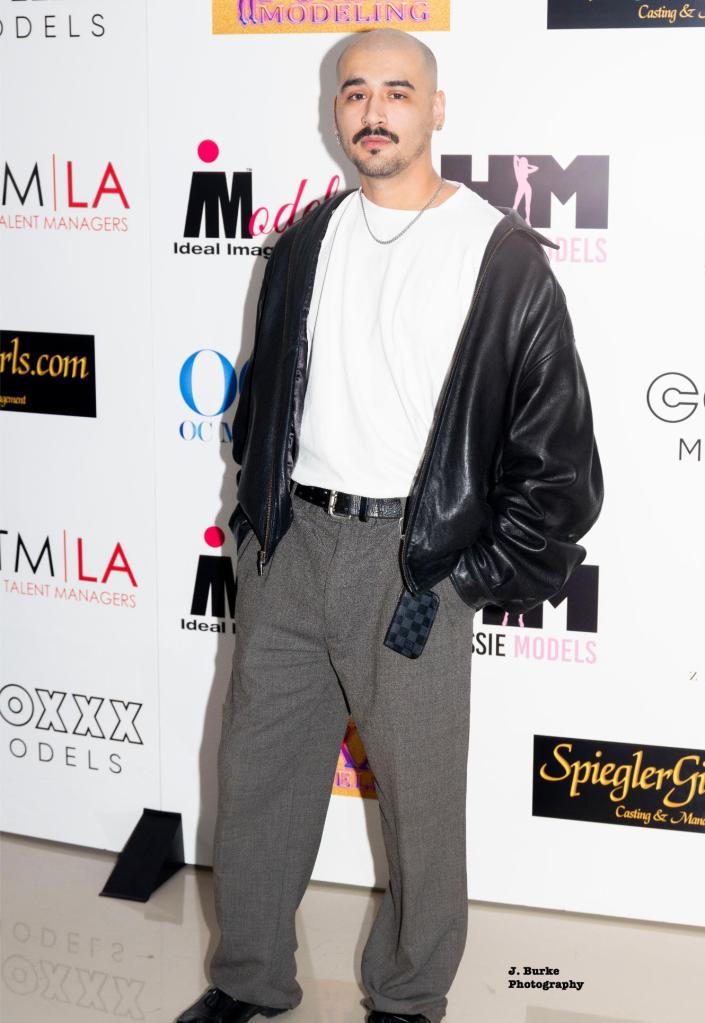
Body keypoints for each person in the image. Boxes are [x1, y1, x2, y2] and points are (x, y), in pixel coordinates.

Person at [175, 27, 604, 1023]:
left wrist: (463, 578)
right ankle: (247, 979)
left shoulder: (499, 260)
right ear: (336, 111)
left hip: (413, 563)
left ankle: (409, 997)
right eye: (355, 91)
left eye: (398, 92)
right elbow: (262, 405)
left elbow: (560, 464)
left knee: (420, 807)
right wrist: (255, 530)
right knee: (257, 780)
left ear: (436, 109)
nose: (374, 112)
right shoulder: (303, 245)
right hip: (293, 548)